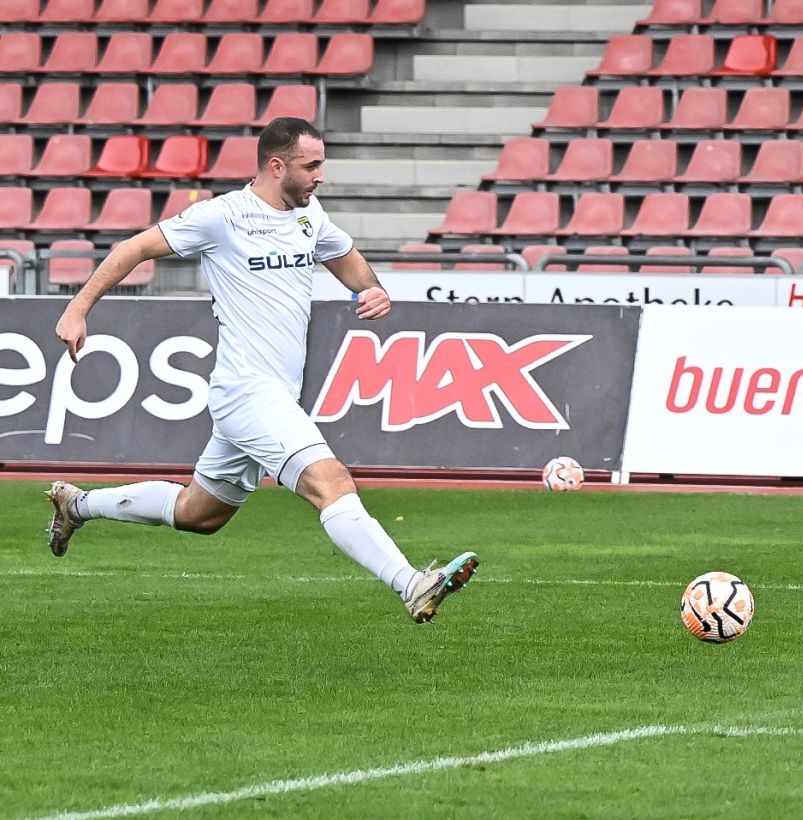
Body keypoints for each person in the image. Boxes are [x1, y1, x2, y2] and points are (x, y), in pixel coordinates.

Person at [43, 116, 478, 624]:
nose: (320, 176)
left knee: (199, 513)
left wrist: (371, 289)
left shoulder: (309, 214)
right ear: (276, 166)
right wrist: (77, 309)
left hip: (269, 396)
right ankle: (411, 584)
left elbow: (344, 255)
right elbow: (133, 248)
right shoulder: (222, 216)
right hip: (248, 392)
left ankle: (78, 505)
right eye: (310, 166)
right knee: (330, 481)